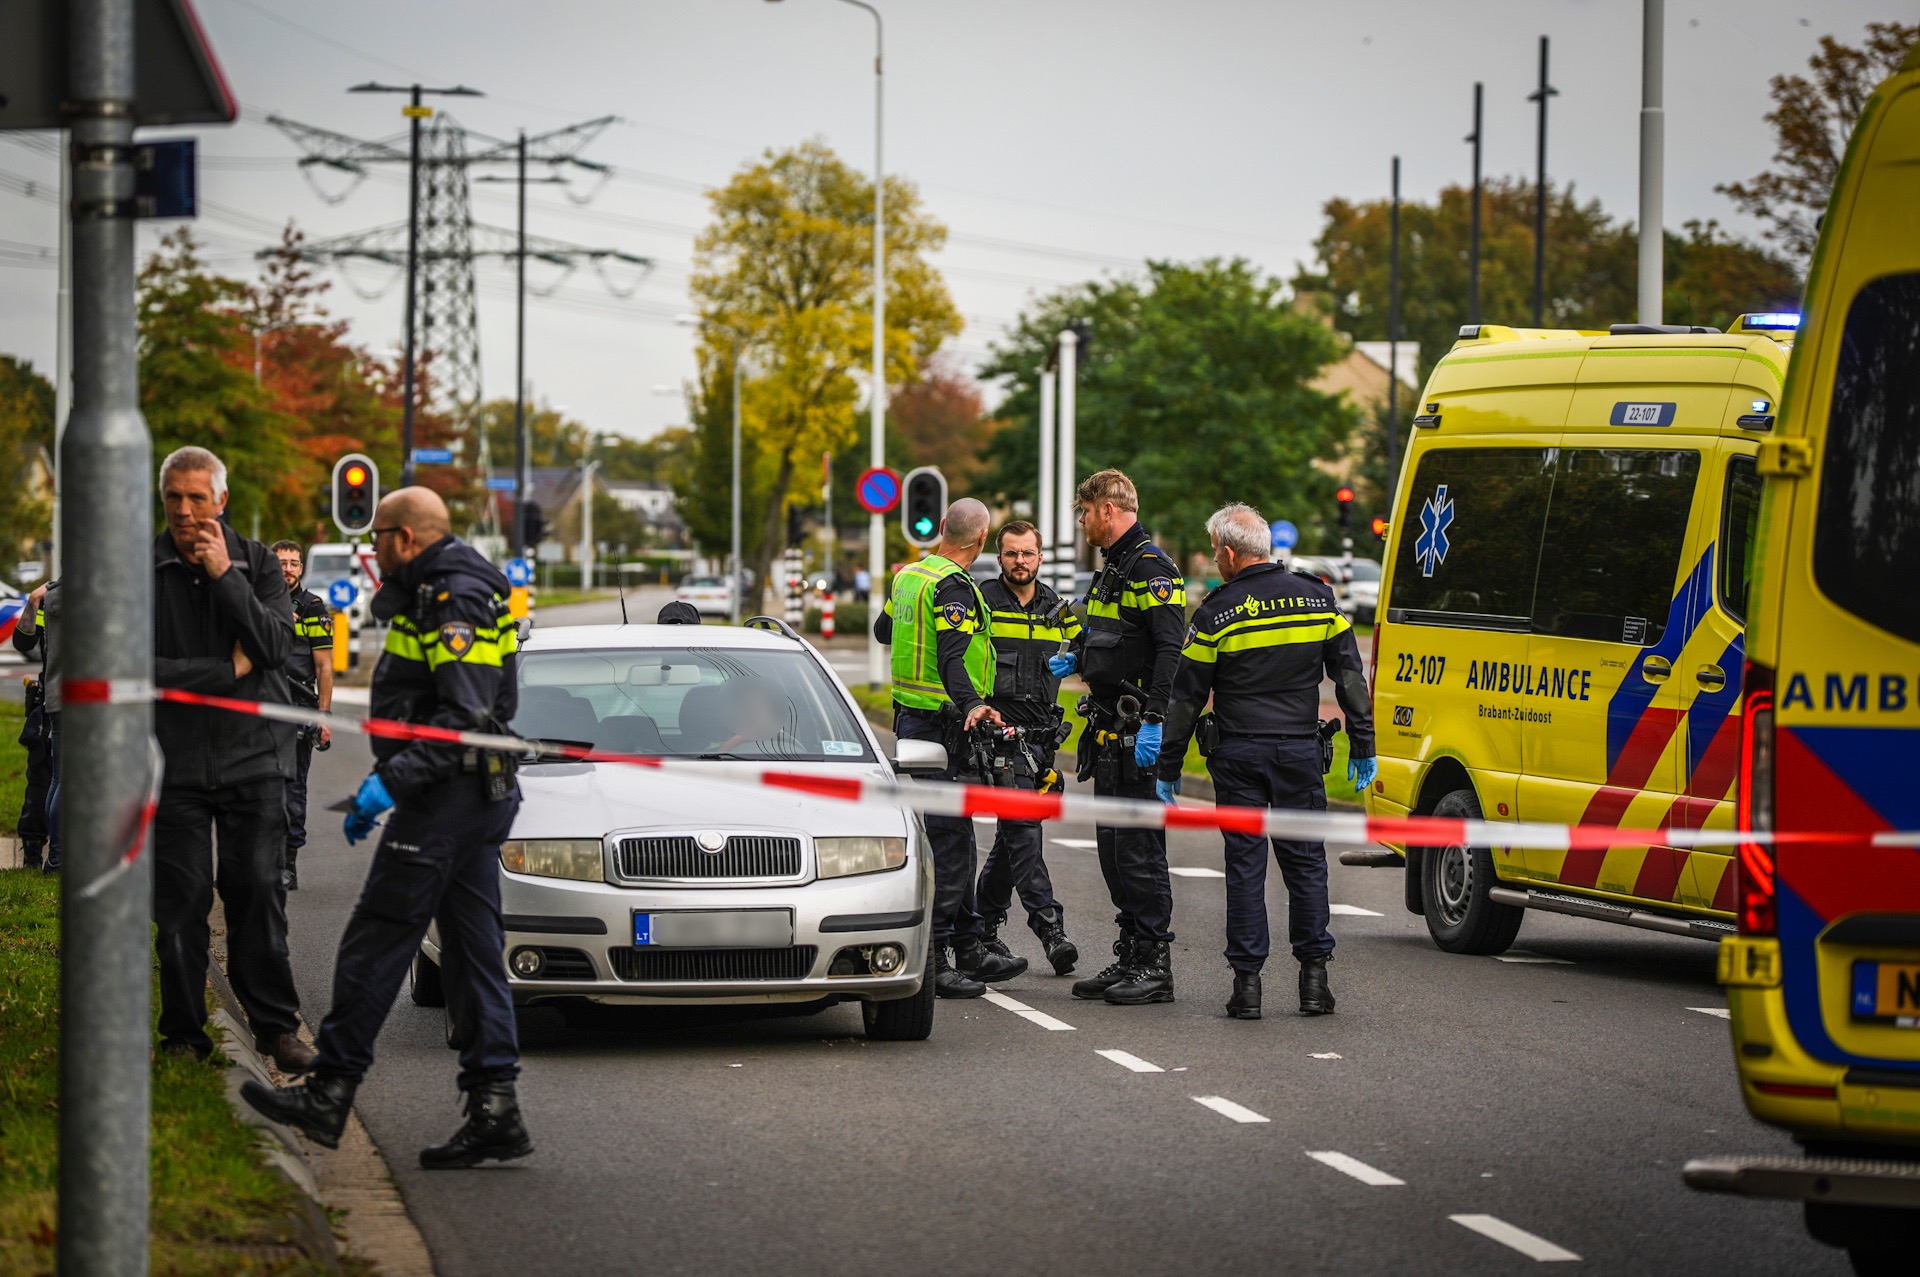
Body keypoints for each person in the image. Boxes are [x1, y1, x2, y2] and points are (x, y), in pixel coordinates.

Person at [242, 486, 532, 1169]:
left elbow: (463, 716)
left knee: (373, 943)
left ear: (406, 537)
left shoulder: (450, 596)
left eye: (377, 537)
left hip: (446, 797)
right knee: (474, 951)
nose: (371, 550)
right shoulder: (449, 586)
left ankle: (329, 1092)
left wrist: (391, 781)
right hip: (467, 794)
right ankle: (496, 1109)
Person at [1155, 504, 1376, 1020]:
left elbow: (1186, 698)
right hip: (1300, 752)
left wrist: (1169, 767)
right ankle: (1314, 983)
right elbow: (1349, 678)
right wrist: (1363, 744)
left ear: (1231, 553)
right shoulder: (1319, 599)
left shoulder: (1215, 611)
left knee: (1246, 868)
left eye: (1215, 553)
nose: (1215, 561)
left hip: (1238, 755)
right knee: (1306, 867)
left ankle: (1247, 987)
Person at [151, 447, 310, 1071]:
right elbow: (134, 668)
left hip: (254, 759)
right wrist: (223, 670)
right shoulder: (144, 567)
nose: (185, 512)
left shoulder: (260, 562)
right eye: (174, 498)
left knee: (257, 892)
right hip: (176, 762)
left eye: (197, 498)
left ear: (221, 500)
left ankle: (275, 1028)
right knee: (182, 902)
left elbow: (273, 646)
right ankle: (184, 1036)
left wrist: (225, 575)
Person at [873, 498, 1027, 998]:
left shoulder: (909, 577)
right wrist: (972, 706)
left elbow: (882, 630)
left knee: (949, 832)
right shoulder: (952, 587)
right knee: (951, 839)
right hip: (943, 726)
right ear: (981, 541)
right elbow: (953, 657)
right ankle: (937, 956)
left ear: (942, 529)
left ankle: (970, 945)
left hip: (912, 721)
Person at [1052, 469, 1185, 1006]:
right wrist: (1079, 655)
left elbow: (1170, 650)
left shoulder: (1152, 568)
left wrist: (1155, 718)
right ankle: (1130, 953)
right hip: (1108, 728)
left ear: (1107, 509)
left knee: (1139, 852)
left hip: (1137, 730)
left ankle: (1155, 964)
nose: (1082, 521)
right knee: (1112, 849)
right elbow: (1113, 640)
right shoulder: (1113, 570)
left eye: (1084, 512)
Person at [973, 520, 1080, 976]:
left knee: (1011, 839)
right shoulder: (982, 602)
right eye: (1012, 553)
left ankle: (981, 928)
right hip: (999, 738)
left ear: (1040, 557)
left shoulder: (1055, 606)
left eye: (1028, 553)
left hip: (1042, 744)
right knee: (1022, 830)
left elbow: (1087, 648)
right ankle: (1050, 927)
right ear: (1000, 558)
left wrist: (1080, 654)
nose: (1021, 561)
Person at [271, 541, 334, 891]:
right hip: (261, 705)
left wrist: (324, 716)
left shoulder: (312, 608)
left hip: (298, 705)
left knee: (293, 788)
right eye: (282, 562)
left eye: (295, 563)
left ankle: (288, 864)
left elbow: (324, 667)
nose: (289, 568)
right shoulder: (257, 601)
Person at [13, 581, 58, 872]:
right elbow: (23, 642)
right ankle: (32, 850)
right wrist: (32, 603)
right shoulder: (48, 597)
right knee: (41, 776)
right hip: (49, 701)